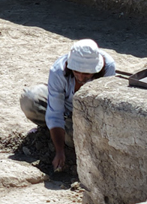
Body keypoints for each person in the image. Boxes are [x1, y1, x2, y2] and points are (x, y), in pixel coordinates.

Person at [19, 39, 116, 171]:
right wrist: (59, 152)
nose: (81, 78)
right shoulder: (58, 69)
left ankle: (61, 132)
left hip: (87, 113)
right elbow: (55, 112)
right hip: (64, 105)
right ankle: (52, 131)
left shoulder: (108, 68)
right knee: (30, 100)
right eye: (76, 72)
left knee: (75, 140)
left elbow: (102, 110)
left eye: (86, 74)